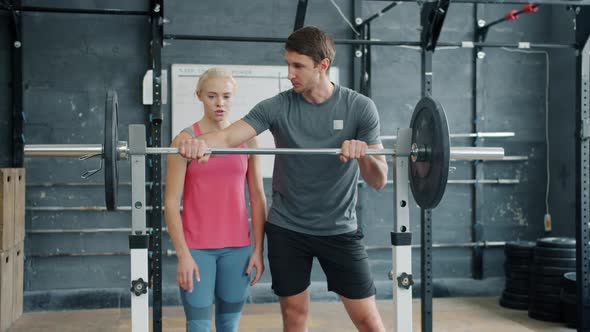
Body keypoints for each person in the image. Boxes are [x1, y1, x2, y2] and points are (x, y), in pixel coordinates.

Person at [178, 26, 388, 332]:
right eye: (288, 64)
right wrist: (196, 142)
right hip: (288, 229)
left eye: (298, 66)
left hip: (339, 229)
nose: (290, 73)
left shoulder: (359, 108)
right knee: (293, 317)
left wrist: (364, 153)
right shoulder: (277, 106)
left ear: (322, 65)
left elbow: (379, 180)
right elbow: (228, 134)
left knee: (369, 321)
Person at [165, 67, 267, 332]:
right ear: (199, 96)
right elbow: (170, 203)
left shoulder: (249, 140)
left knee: (228, 326)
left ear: (234, 97)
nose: (220, 103)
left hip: (239, 249)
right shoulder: (184, 141)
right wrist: (183, 255)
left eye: (226, 96)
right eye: (212, 96)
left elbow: (257, 197)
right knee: (198, 327)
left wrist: (258, 249)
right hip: (197, 250)